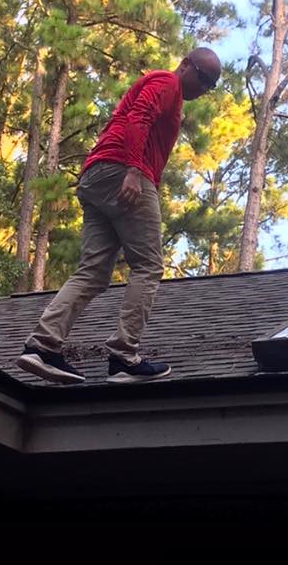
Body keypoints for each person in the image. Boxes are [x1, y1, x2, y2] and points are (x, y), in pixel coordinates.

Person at [17, 47, 222, 385]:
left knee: (94, 272)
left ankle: (42, 346)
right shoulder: (166, 82)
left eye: (211, 85)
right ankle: (125, 356)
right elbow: (138, 117)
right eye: (203, 78)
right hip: (124, 174)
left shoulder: (170, 92)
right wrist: (131, 169)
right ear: (185, 65)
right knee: (148, 266)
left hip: (96, 178)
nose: (204, 88)